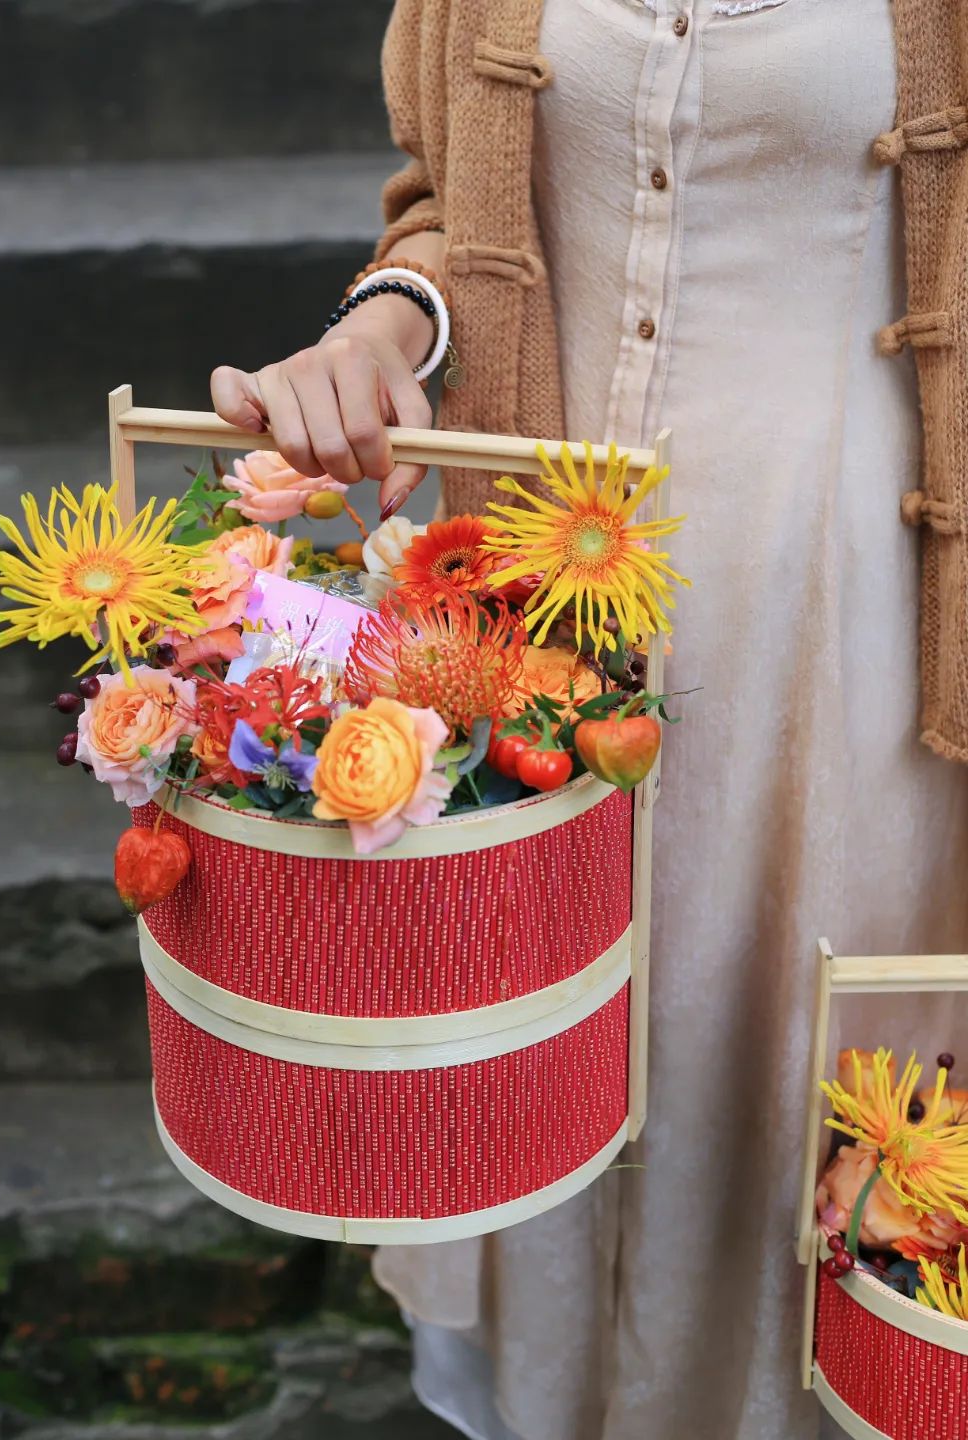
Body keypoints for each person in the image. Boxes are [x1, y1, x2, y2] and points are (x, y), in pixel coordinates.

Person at [211, 2, 968, 1436]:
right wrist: (381, 325)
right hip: (529, 594)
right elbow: (452, 204)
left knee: (790, 1078)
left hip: (838, 618)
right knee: (534, 1025)